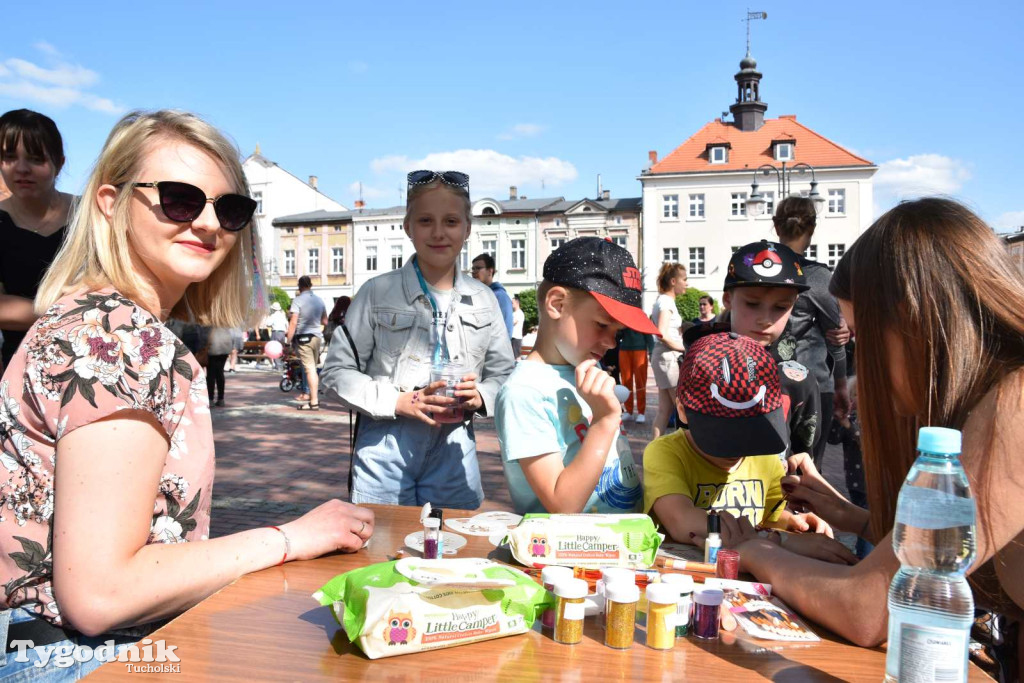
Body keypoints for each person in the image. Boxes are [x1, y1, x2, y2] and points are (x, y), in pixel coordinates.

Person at [0, 110, 373, 677]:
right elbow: (100, 595)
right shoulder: (119, 338)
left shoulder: (96, 316)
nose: (208, 224)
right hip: (70, 658)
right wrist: (290, 537)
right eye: (178, 198)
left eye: (230, 209)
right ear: (110, 202)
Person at [718, 199, 1024, 669]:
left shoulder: (1013, 406)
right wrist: (853, 517)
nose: (862, 364)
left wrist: (758, 549)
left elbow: (867, 609)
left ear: (915, 322)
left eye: (863, 335)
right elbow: (940, 555)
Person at [320, 170, 515, 509]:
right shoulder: (376, 293)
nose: (438, 232)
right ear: (407, 227)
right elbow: (336, 373)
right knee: (381, 549)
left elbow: (505, 377)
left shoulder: (485, 299)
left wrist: (480, 396)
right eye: (425, 220)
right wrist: (398, 402)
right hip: (384, 452)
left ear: (467, 229)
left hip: (455, 456)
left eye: (451, 221)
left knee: (456, 551)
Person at [642, 332, 850, 561]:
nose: (738, 446)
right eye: (724, 435)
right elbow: (682, 522)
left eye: (751, 432)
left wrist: (793, 523)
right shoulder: (667, 453)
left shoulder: (764, 453)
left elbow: (770, 516)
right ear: (682, 410)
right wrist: (783, 542)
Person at [495, 237, 660, 514]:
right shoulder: (524, 392)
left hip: (619, 543)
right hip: (569, 552)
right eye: (601, 325)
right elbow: (563, 505)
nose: (610, 343)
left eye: (617, 332)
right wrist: (605, 421)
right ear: (557, 304)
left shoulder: (587, 368)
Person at [715, 240, 821, 456]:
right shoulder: (700, 366)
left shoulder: (800, 380)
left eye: (781, 307)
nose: (765, 319)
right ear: (728, 299)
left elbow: (805, 459)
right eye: (752, 304)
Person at [772, 196, 850, 470]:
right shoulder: (817, 277)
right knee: (807, 468)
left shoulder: (760, 269)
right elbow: (835, 338)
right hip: (815, 385)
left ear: (775, 226)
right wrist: (841, 385)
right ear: (813, 228)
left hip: (765, 380)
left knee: (766, 465)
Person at [0, 109, 74, 367]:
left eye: (35, 158)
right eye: (9, 157)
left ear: (59, 163)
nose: (21, 169)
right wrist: (72, 311)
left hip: (88, 359)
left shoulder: (90, 218)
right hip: (19, 363)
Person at [649, 262, 687, 438]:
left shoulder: (663, 300)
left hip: (663, 357)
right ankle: (686, 453)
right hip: (668, 357)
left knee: (665, 410)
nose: (686, 283)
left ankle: (653, 450)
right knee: (682, 408)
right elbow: (662, 333)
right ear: (673, 281)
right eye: (684, 279)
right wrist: (684, 347)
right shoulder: (666, 302)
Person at [286, 275, 327, 410]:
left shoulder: (297, 301)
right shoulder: (319, 300)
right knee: (312, 369)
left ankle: (314, 401)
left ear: (299, 286)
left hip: (304, 338)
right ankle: (313, 399)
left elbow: (293, 322)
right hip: (317, 337)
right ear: (311, 285)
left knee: (309, 370)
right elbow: (324, 321)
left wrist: (288, 341)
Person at [471, 253, 514, 338]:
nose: (474, 272)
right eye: (473, 269)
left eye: (478, 268)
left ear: (490, 271)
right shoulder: (475, 295)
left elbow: (506, 330)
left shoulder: (500, 296)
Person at [618, 327, 653, 423]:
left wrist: (651, 351)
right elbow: (618, 335)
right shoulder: (622, 316)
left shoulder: (642, 315)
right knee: (626, 381)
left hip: (640, 349)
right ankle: (628, 411)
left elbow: (648, 334)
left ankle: (641, 412)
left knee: (640, 381)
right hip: (624, 349)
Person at [206, 326, 233, 406]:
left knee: (211, 374)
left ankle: (210, 398)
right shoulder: (224, 320)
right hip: (225, 346)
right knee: (220, 373)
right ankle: (221, 398)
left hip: (213, 347)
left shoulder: (209, 320)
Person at [511, 294, 525, 358]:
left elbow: (513, 322)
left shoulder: (519, 313)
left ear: (517, 303)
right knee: (513, 356)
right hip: (513, 337)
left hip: (516, 337)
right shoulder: (513, 313)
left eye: (512, 303)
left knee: (516, 356)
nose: (511, 304)